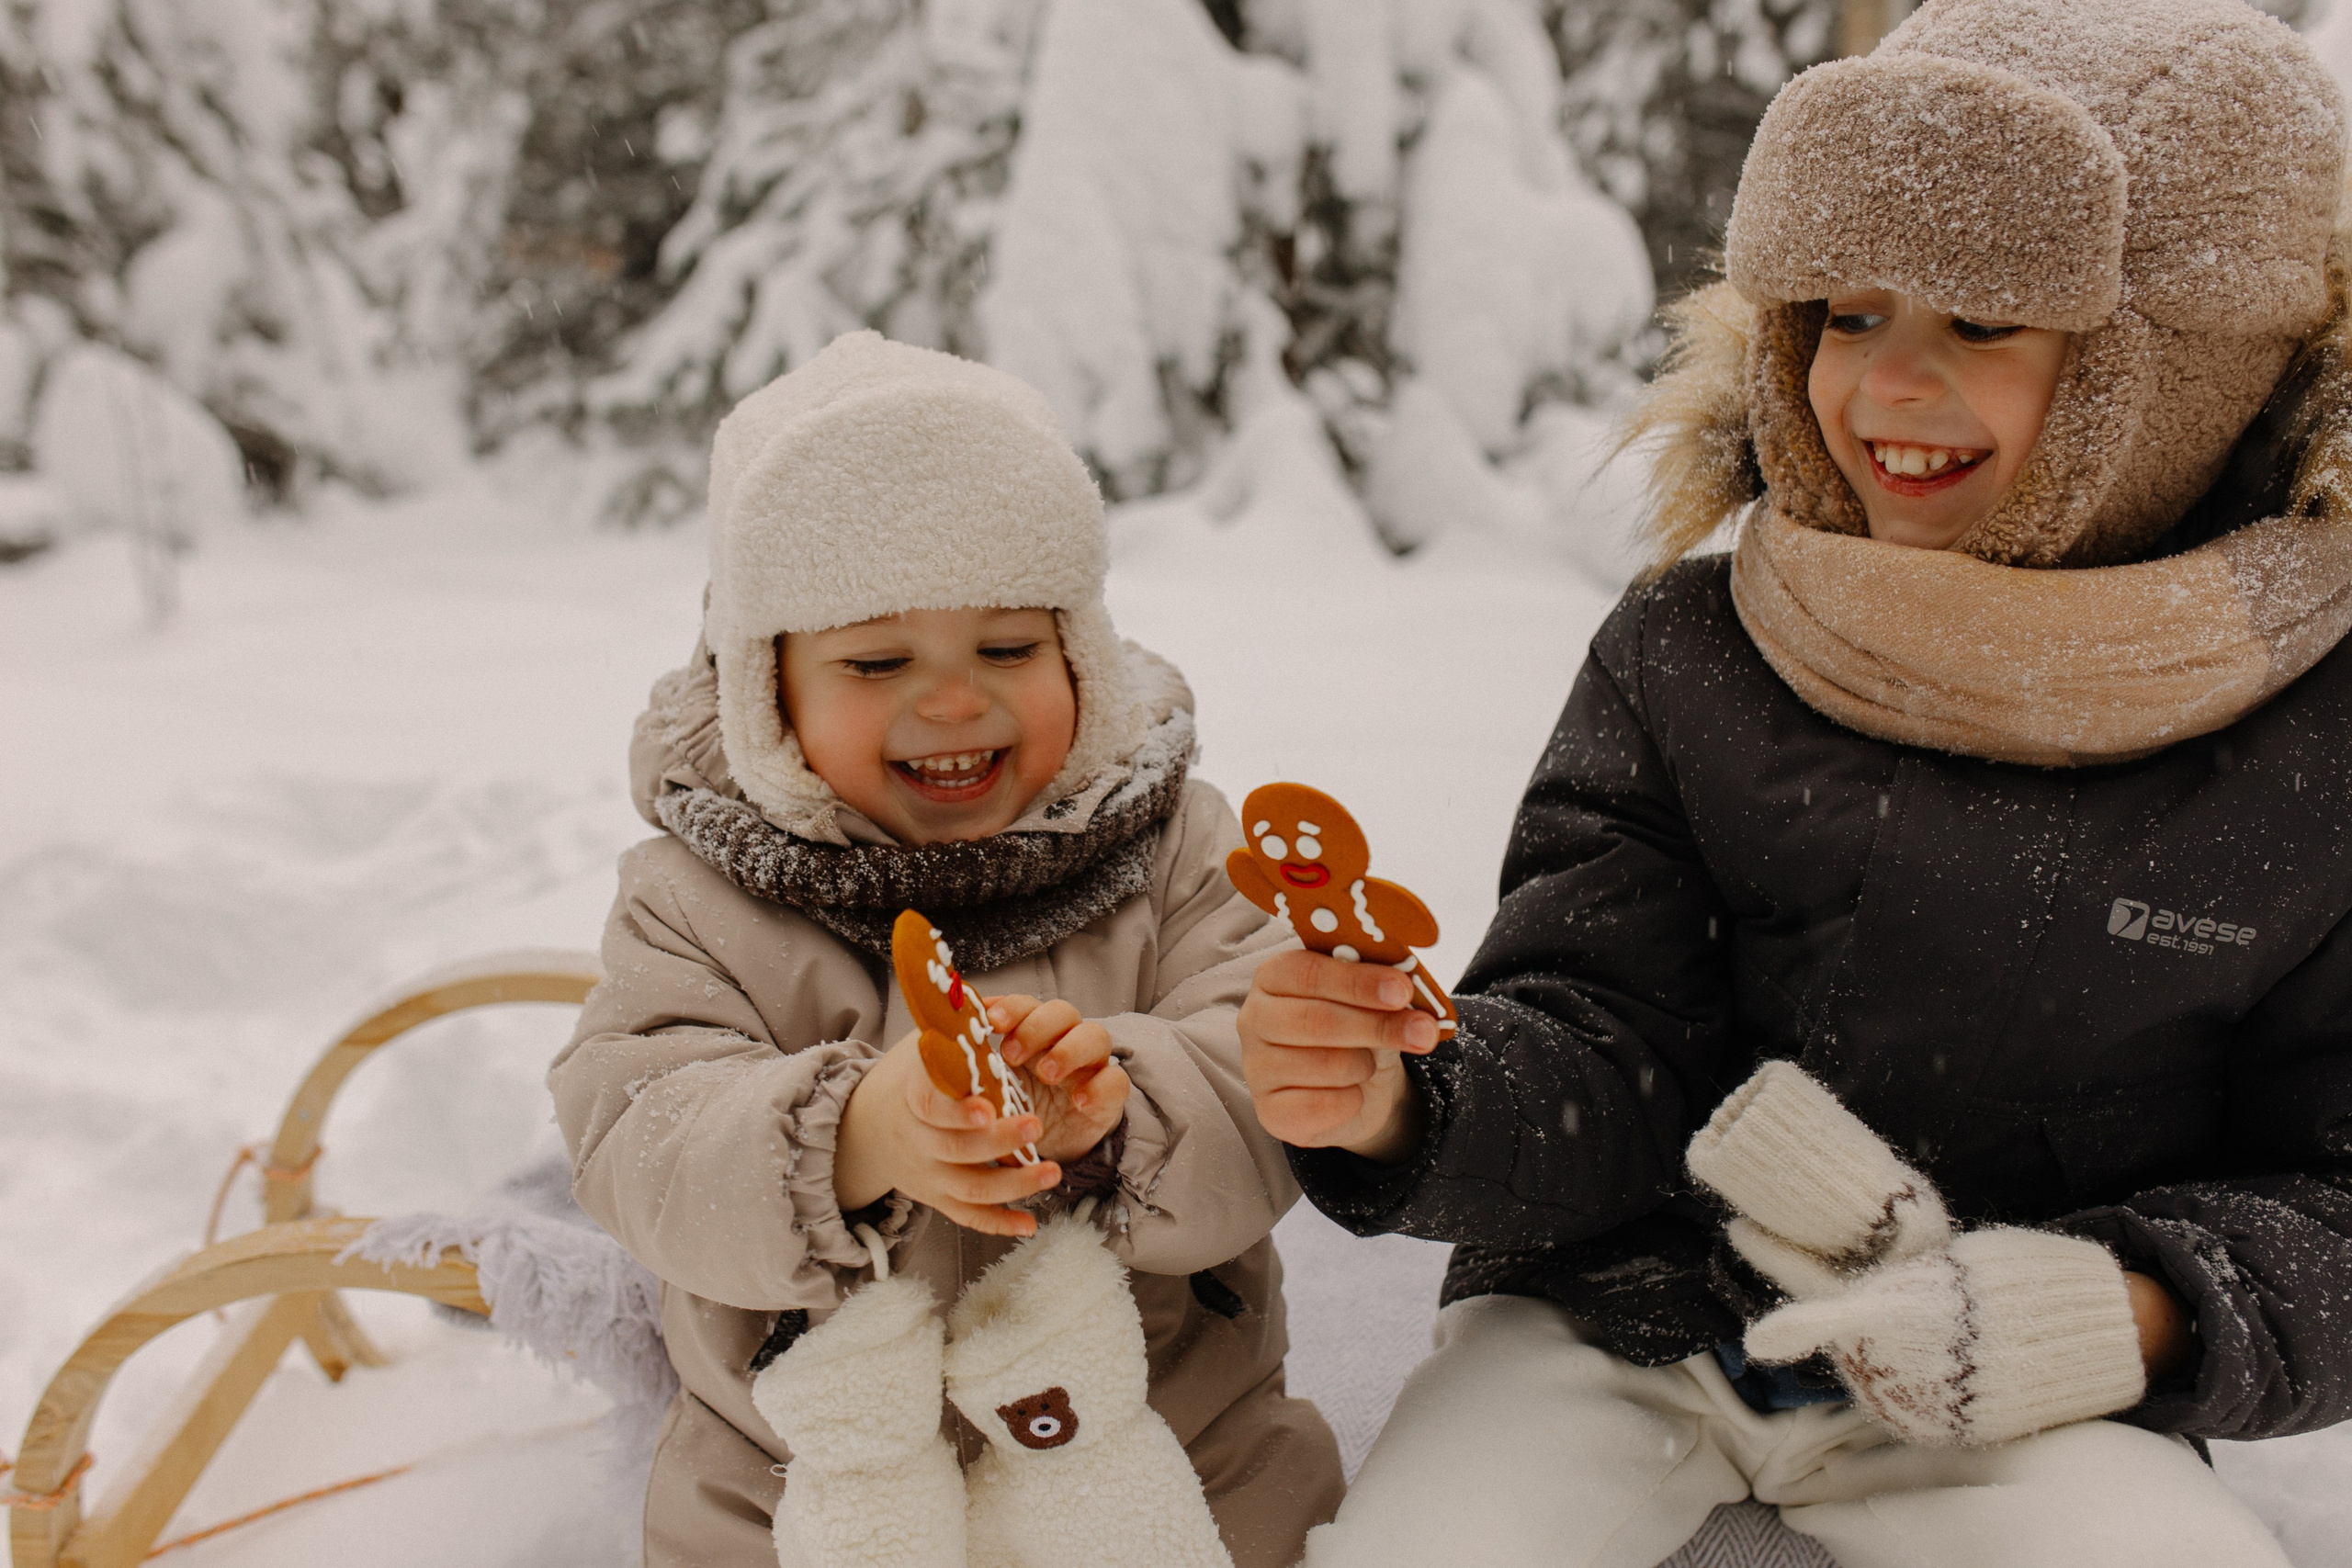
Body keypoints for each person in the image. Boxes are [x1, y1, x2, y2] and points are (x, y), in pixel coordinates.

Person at [1239, 1, 2352, 1563]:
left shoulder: (2314, 744)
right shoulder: (1698, 650)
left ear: (2176, 377)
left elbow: (2335, 1192)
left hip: (2021, 1387)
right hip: (1626, 1318)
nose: (1888, 386)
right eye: (1847, 310)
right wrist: (1408, 1102)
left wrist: (2125, 1313)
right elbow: (1601, 1035)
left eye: (1984, 322)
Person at [550, 331, 1342, 1567]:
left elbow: (1275, 1084)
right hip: (795, 1481)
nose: (956, 700)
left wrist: (1117, 1115)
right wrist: (854, 1134)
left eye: (1008, 648)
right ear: (766, 691)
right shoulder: (694, 900)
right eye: (877, 661)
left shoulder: (1179, 850)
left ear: (1081, 652)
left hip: (1182, 1444)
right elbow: (637, 1136)